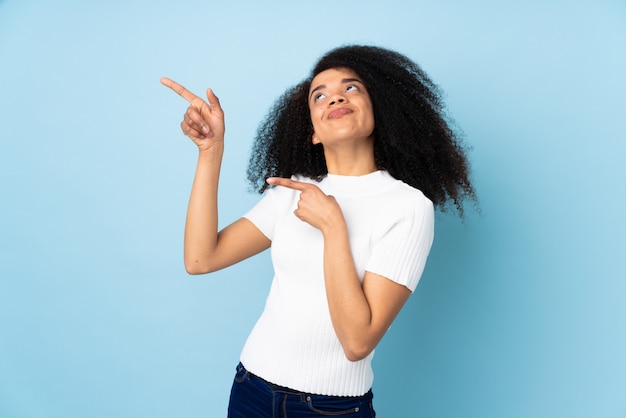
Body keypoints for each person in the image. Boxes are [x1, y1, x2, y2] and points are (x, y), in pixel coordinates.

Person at [161, 45, 475, 417]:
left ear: (380, 111)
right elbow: (200, 259)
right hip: (251, 388)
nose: (336, 96)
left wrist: (333, 227)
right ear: (312, 131)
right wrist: (210, 152)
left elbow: (357, 342)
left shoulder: (407, 207)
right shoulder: (292, 190)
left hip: (329, 409)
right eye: (319, 95)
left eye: (352, 88)